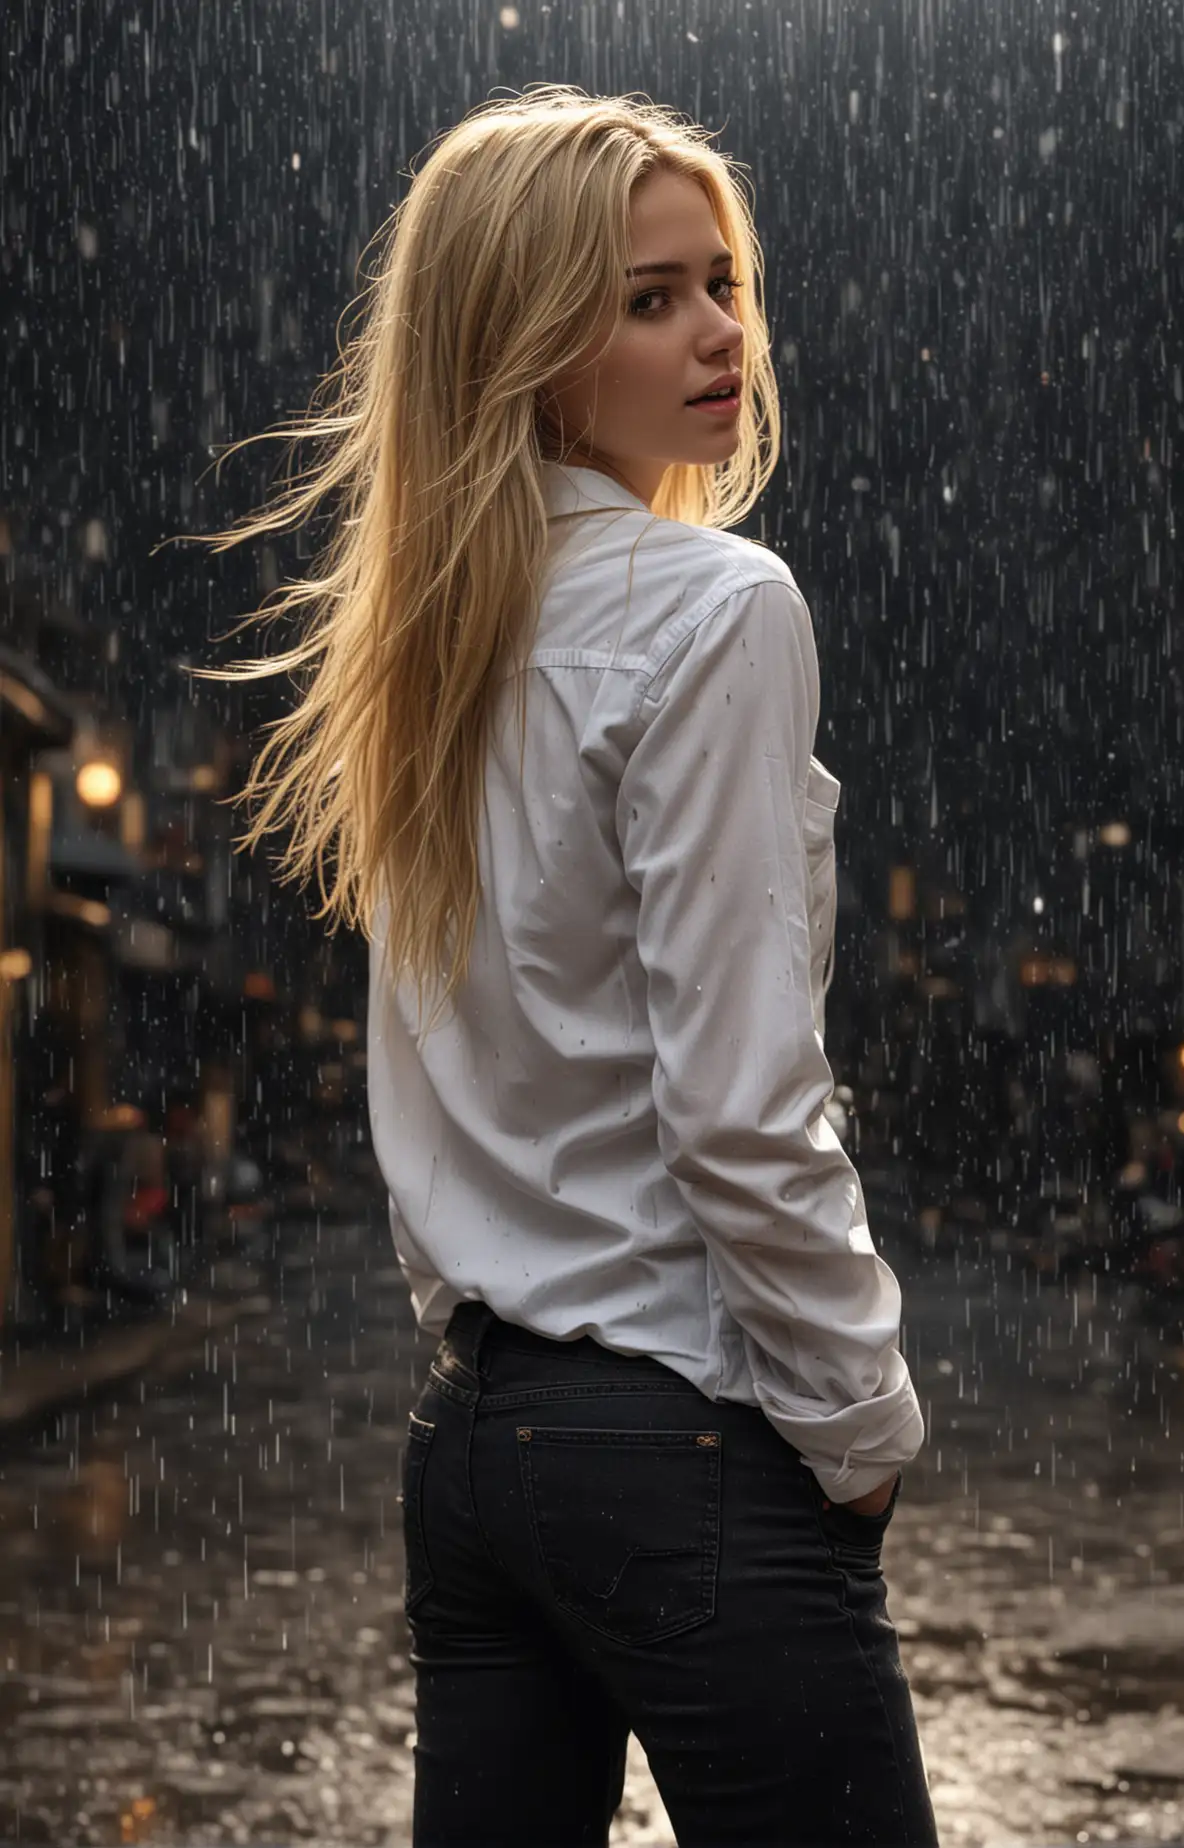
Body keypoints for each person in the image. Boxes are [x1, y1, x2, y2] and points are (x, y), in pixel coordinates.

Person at [184, 84, 936, 1848]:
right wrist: (864, 1413)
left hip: (478, 1454)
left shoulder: (434, 637)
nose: (719, 333)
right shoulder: (717, 609)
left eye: (721, 281)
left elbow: (450, 1077)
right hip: (685, 1442)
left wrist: (496, 1340)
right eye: (647, 297)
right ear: (525, 345)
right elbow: (744, 1106)